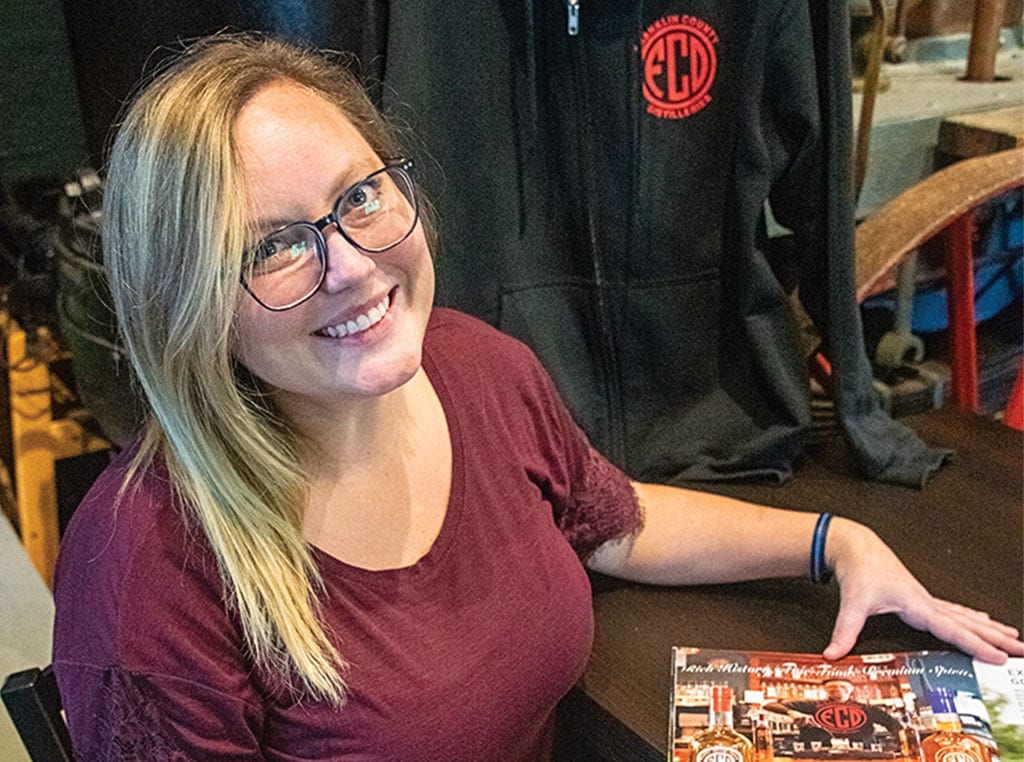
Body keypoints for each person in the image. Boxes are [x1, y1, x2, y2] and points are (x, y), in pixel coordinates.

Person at [51, 34, 1022, 761]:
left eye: (359, 197)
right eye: (269, 245)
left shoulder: (474, 366)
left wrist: (833, 543)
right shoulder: (150, 561)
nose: (348, 265)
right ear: (182, 300)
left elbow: (613, 520)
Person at [765, 678, 902, 751]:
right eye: (832, 687)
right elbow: (769, 705)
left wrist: (902, 743)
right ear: (825, 690)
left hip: (861, 755)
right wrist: (792, 712)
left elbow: (895, 725)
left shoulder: (867, 709)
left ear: (851, 690)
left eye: (842, 687)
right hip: (817, 755)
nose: (837, 690)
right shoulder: (811, 705)